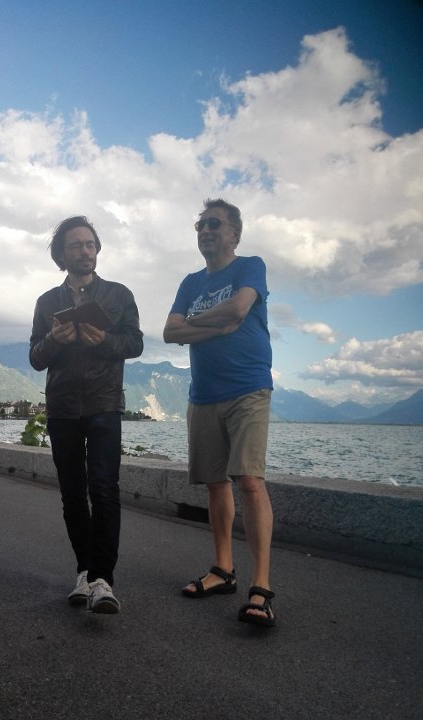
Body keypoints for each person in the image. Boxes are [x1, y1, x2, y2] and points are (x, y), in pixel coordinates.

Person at [163, 198, 275, 627]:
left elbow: (239, 309)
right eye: (200, 225)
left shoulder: (250, 266)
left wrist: (196, 326)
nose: (206, 230)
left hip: (248, 387)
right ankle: (223, 571)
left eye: (215, 223)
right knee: (215, 483)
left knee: (249, 480)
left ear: (234, 234)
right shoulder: (190, 282)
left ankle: (261, 588)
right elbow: (169, 331)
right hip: (203, 393)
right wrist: (218, 323)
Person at [29, 215, 143, 614]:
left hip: (104, 404)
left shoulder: (119, 294)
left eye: (90, 244)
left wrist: (105, 341)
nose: (85, 251)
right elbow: (36, 358)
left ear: (97, 250)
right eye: (76, 245)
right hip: (62, 408)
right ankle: (84, 571)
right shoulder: (47, 302)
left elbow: (135, 344)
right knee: (73, 493)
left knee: (104, 488)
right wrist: (53, 339)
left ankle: (103, 580)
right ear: (61, 255)